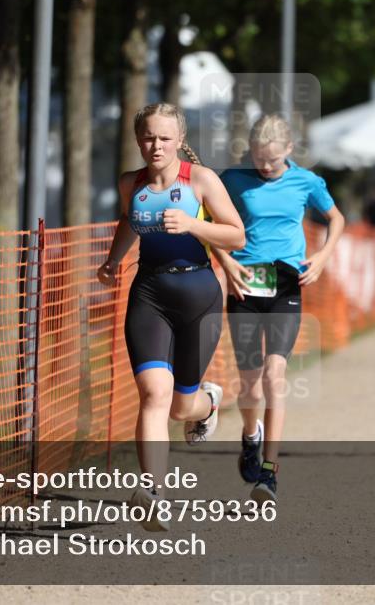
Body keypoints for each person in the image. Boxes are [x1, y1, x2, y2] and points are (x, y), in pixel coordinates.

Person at [97, 102, 245, 531]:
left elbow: (236, 235)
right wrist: (112, 261)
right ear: (137, 139)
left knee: (182, 407)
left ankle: (209, 402)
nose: (155, 145)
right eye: (147, 137)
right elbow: (128, 220)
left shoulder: (201, 181)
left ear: (179, 139)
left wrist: (194, 225)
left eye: (164, 138)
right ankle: (154, 493)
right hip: (149, 293)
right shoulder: (131, 183)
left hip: (198, 294)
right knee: (153, 395)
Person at [214, 114, 345, 503]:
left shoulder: (306, 181)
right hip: (245, 286)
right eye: (258, 157)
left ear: (289, 150)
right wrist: (226, 261)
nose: (265, 166)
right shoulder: (233, 180)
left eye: (271, 159)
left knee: (275, 373)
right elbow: (211, 224)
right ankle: (251, 436)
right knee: (250, 382)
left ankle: (269, 471)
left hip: (287, 284)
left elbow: (337, 219)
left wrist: (321, 257)